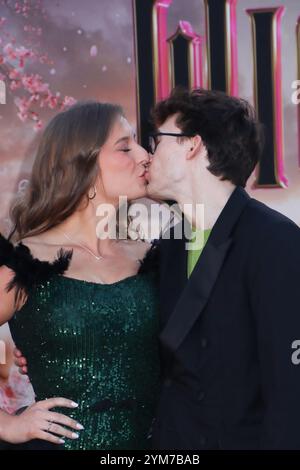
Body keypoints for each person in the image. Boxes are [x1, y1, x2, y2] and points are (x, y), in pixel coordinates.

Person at [143, 87, 300, 449]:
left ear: (192, 145)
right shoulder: (170, 244)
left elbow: (290, 392)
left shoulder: (275, 241)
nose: (148, 155)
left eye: (157, 140)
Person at [0, 100, 160, 450]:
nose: (144, 155)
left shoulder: (150, 257)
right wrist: (8, 424)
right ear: (82, 165)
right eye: (125, 146)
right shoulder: (26, 264)